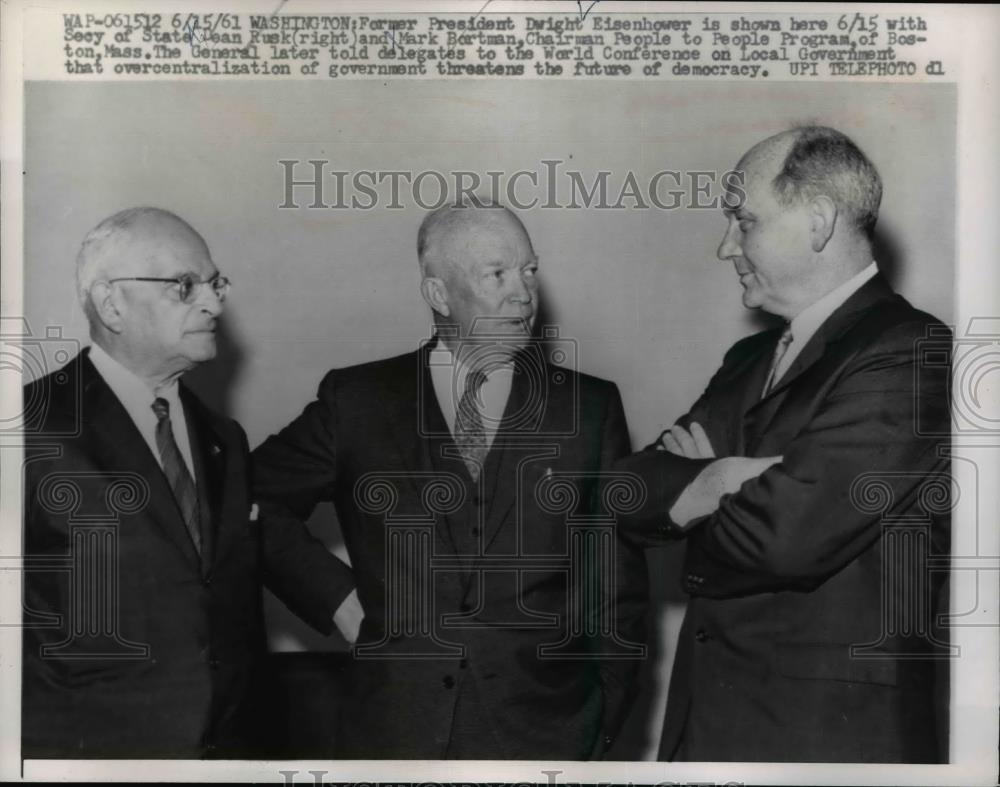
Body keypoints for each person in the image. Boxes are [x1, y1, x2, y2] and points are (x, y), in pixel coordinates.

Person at [251, 199, 649, 759]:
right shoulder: (357, 401)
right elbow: (245, 495)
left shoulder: (588, 408)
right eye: (498, 274)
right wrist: (337, 598)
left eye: (529, 270)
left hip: (546, 736)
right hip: (394, 734)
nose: (523, 294)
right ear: (438, 294)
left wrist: (600, 720)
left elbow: (616, 584)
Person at [616, 126, 951, 763]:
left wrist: (693, 482)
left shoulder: (912, 351)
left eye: (743, 222)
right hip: (705, 728)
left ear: (818, 222)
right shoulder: (749, 357)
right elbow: (626, 489)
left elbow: (784, 539)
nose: (725, 247)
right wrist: (719, 481)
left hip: (826, 742)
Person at [22, 207, 355, 758]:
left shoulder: (225, 439)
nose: (215, 302)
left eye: (215, 282)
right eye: (185, 285)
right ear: (111, 303)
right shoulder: (29, 427)